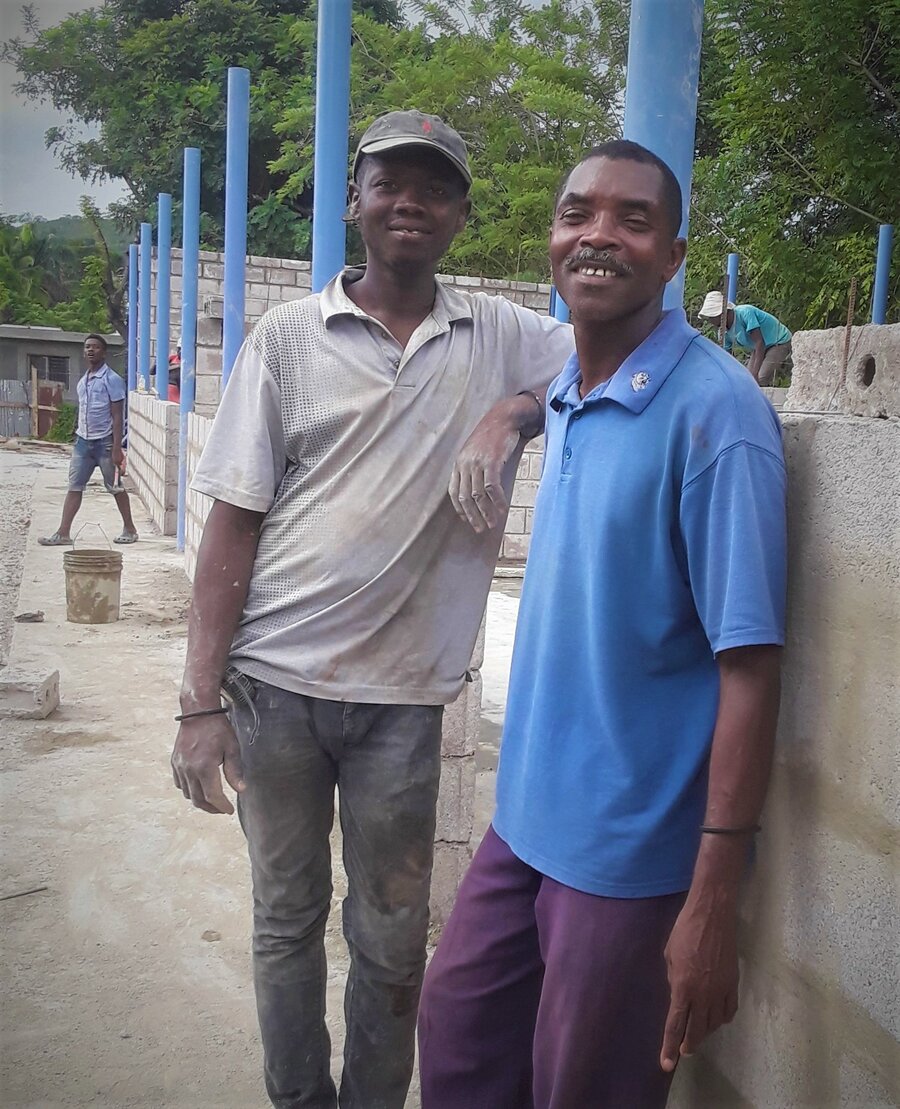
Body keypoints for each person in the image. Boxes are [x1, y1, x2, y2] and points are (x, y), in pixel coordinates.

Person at [169, 110, 573, 1109]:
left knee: (393, 937)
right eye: (390, 182)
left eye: (433, 187)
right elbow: (232, 523)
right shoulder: (288, 337)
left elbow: (624, 356)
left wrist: (516, 410)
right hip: (275, 693)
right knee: (286, 918)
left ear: (460, 214)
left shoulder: (504, 335)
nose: (409, 201)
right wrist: (197, 700)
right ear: (355, 199)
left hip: (403, 701)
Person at [418, 141, 787, 1108]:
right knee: (456, 1043)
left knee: (579, 1089)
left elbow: (750, 670)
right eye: (578, 213)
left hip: (629, 862)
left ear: (673, 257)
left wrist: (712, 899)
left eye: (633, 220)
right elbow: (557, 386)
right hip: (525, 824)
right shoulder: (575, 395)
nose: (598, 236)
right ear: (551, 238)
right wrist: (511, 413)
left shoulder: (720, 419)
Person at [39, 333, 138, 546]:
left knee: (115, 487)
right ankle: (63, 533)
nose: (90, 350)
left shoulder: (111, 380)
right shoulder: (84, 380)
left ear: (104, 352)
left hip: (105, 443)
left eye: (95, 347)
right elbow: (83, 410)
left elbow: (118, 415)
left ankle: (130, 529)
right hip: (83, 443)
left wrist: (117, 448)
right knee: (74, 486)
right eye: (87, 347)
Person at [698, 291, 792, 386]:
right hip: (758, 348)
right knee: (748, 380)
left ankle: (762, 398)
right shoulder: (723, 332)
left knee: (760, 377)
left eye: (712, 317)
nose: (711, 321)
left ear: (722, 313)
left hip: (778, 341)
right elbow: (726, 357)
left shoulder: (745, 313)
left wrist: (755, 373)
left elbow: (760, 342)